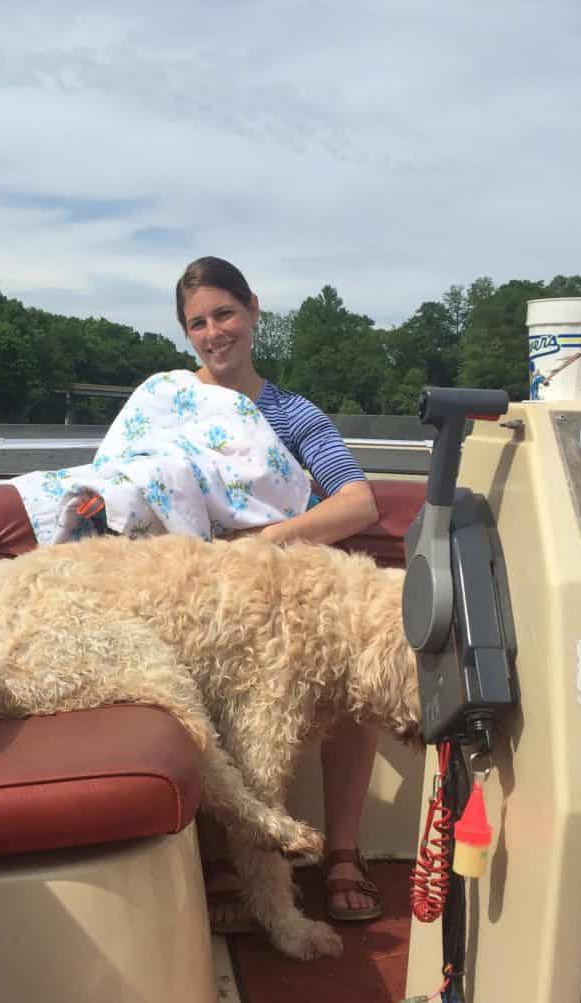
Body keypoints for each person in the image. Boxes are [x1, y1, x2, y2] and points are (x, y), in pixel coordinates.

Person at [175, 255, 383, 925]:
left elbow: (358, 503)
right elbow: (130, 476)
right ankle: (224, 858)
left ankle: (343, 851)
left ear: (254, 310)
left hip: (284, 597)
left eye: (224, 313)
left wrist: (266, 541)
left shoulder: (293, 416)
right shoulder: (171, 405)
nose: (214, 333)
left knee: (353, 677)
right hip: (206, 600)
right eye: (198, 322)